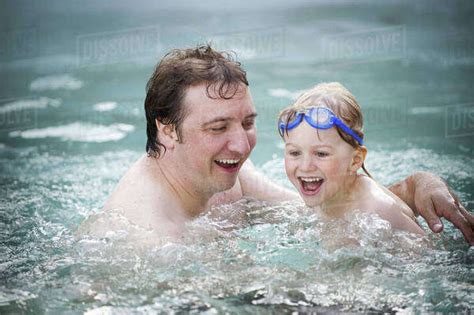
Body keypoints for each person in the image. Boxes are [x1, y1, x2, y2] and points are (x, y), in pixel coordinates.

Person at [79, 45, 474, 244]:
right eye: (218, 127)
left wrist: (413, 186)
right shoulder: (147, 234)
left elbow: (328, 208)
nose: (241, 144)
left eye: (248, 122)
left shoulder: (225, 174)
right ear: (166, 129)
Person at [279, 82, 423, 234]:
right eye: (295, 153)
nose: (305, 166)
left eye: (321, 154)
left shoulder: (378, 210)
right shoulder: (321, 196)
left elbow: (429, 254)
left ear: (355, 160)